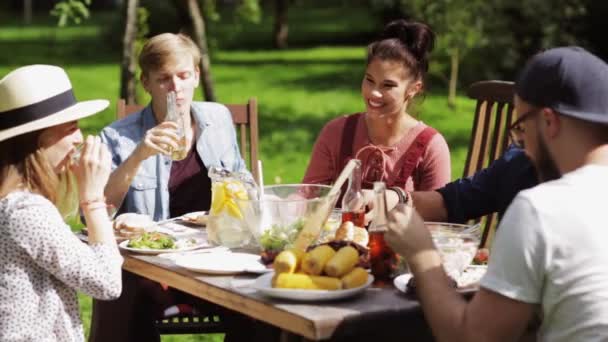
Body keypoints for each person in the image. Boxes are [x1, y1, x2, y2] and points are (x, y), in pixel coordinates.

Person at [386, 46, 608, 341]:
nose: (522, 145)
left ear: (549, 122)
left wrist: (421, 253)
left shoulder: (541, 209)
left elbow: (470, 338)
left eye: (521, 130)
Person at [93, 33, 253, 342]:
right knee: (125, 296)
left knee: (266, 301)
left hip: (215, 255)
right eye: (164, 79)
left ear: (196, 75)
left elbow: (242, 183)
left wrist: (240, 195)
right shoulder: (118, 137)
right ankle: (172, 302)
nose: (176, 87)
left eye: (183, 76)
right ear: (146, 83)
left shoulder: (217, 120)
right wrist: (138, 155)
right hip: (153, 267)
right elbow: (96, 211)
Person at [0, 65, 122, 341]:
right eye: (71, 128)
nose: (79, 138)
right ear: (38, 139)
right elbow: (107, 283)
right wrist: (92, 200)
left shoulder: (14, 200)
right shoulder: (26, 211)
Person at [303, 19, 451, 196]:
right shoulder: (336, 133)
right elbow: (306, 196)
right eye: (369, 80)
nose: (374, 93)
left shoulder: (430, 147)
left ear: (413, 89)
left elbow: (438, 218)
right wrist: (277, 204)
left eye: (387, 85)